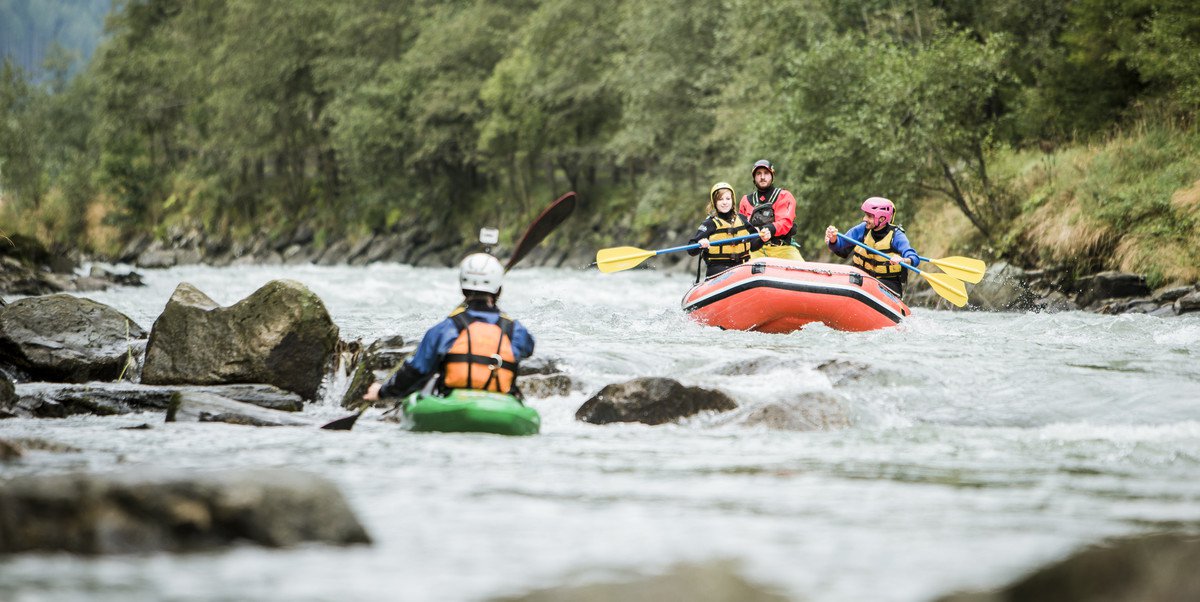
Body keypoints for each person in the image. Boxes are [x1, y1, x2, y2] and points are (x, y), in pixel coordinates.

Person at [363, 253, 535, 402]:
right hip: (501, 404)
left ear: (463, 289)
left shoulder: (444, 329)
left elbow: (415, 371)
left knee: (430, 378)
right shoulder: (515, 331)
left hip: (452, 401)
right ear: (498, 291)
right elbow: (528, 348)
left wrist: (382, 392)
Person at [825, 196, 921, 297]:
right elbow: (840, 246)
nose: (864, 219)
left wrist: (902, 260)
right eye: (865, 215)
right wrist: (833, 239)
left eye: (869, 216)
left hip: (888, 285)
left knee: (867, 285)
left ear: (882, 218)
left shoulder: (897, 236)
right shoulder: (862, 229)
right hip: (862, 279)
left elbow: (915, 258)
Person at [687, 182, 764, 279]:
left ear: (733, 201)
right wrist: (700, 244)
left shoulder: (742, 220)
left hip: (742, 268)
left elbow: (753, 245)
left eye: (728, 199)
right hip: (718, 271)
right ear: (714, 202)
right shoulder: (709, 224)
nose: (725, 202)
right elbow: (691, 250)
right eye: (720, 199)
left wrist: (762, 239)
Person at [739, 159, 804, 261]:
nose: (762, 177)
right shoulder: (745, 201)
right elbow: (741, 229)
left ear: (772, 176)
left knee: (802, 270)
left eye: (766, 173)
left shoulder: (784, 196)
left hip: (782, 248)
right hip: (756, 250)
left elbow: (785, 222)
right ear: (754, 177)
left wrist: (766, 229)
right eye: (759, 174)